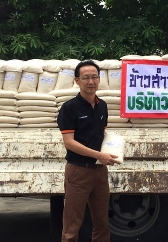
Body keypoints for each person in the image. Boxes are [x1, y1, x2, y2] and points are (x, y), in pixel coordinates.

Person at [57, 60, 119, 242]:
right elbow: (69, 142)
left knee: (102, 222)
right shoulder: (69, 108)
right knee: (72, 224)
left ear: (99, 79)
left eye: (94, 77)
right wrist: (99, 155)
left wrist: (114, 146)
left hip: (100, 171)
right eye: (86, 78)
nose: (91, 82)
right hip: (78, 171)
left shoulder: (102, 106)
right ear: (77, 80)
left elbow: (101, 133)